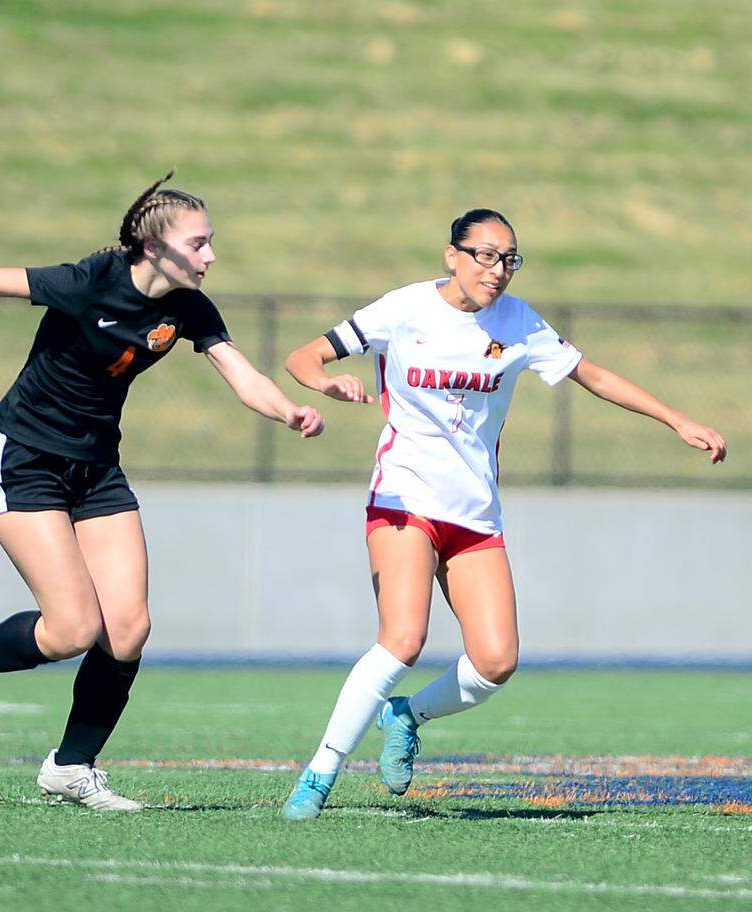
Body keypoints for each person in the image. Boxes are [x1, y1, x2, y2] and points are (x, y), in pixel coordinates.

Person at [0, 172, 324, 811]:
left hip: (96, 470)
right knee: (71, 630)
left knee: (128, 629)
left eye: (211, 242)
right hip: (26, 457)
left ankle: (71, 766)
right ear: (153, 246)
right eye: (199, 243)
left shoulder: (189, 307)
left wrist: (289, 412)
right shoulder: (90, 281)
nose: (211, 256)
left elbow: (241, 373)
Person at [279, 208, 726, 820]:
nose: (499, 270)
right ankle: (319, 775)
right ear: (452, 255)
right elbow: (303, 357)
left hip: (475, 516)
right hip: (404, 501)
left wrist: (678, 419)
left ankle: (407, 715)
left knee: (496, 661)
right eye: (486, 255)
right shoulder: (404, 309)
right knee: (403, 639)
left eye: (510, 258)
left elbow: (593, 376)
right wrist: (326, 384)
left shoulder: (520, 323)